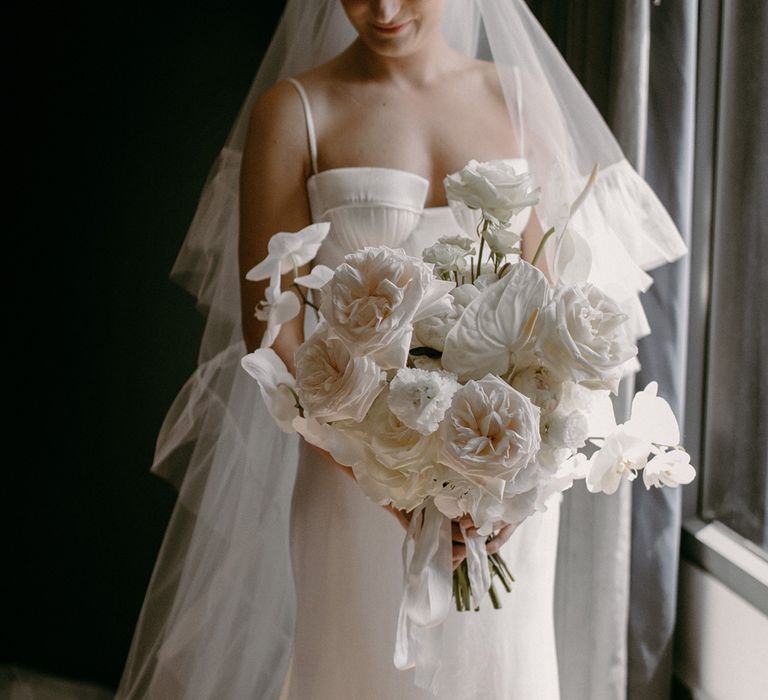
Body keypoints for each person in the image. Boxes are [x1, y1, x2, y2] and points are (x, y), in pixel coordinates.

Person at [116, 1, 688, 698]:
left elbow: (556, 297)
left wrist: (503, 487)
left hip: (498, 480)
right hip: (351, 474)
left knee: (497, 674)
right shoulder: (295, 112)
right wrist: (396, 479)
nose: (381, 10)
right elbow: (275, 329)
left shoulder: (516, 94)